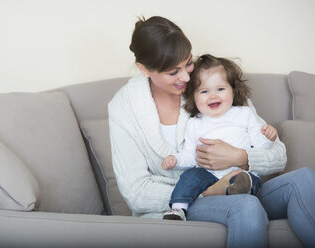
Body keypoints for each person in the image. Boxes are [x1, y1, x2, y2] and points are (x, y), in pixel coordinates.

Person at [108, 16, 315, 247]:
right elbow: (136, 193)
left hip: (241, 183)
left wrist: (242, 157)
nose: (186, 78)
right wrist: (207, 192)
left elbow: (278, 155)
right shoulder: (124, 108)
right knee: (246, 206)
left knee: (304, 179)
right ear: (144, 69)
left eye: (188, 63)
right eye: (173, 72)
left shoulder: (209, 81)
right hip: (180, 206)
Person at [161, 54, 277, 221]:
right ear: (193, 96)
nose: (213, 96)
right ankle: (178, 209)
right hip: (208, 176)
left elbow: (260, 147)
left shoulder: (244, 114)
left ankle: (238, 190)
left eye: (220, 89)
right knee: (189, 177)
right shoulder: (195, 123)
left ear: (233, 90)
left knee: (249, 179)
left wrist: (268, 136)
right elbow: (190, 156)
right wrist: (175, 160)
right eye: (204, 91)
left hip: (240, 172)